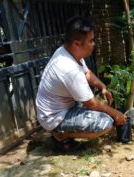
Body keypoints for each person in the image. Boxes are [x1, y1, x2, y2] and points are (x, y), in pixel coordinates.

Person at [36, 16, 126, 151]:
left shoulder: (68, 52)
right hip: (53, 117)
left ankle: (64, 131)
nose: (94, 44)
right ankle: (60, 134)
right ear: (77, 44)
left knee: (104, 111)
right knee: (105, 123)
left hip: (63, 107)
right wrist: (116, 114)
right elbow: (91, 103)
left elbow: (87, 73)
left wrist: (102, 87)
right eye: (91, 41)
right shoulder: (68, 69)